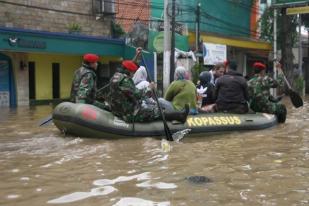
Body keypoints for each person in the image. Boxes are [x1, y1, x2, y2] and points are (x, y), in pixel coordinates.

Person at [108, 60, 189, 123]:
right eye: (132, 72)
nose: (133, 75)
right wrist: (149, 88)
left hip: (117, 110)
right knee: (158, 112)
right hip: (128, 114)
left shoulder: (115, 77)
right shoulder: (125, 81)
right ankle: (180, 116)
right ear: (128, 71)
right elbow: (138, 95)